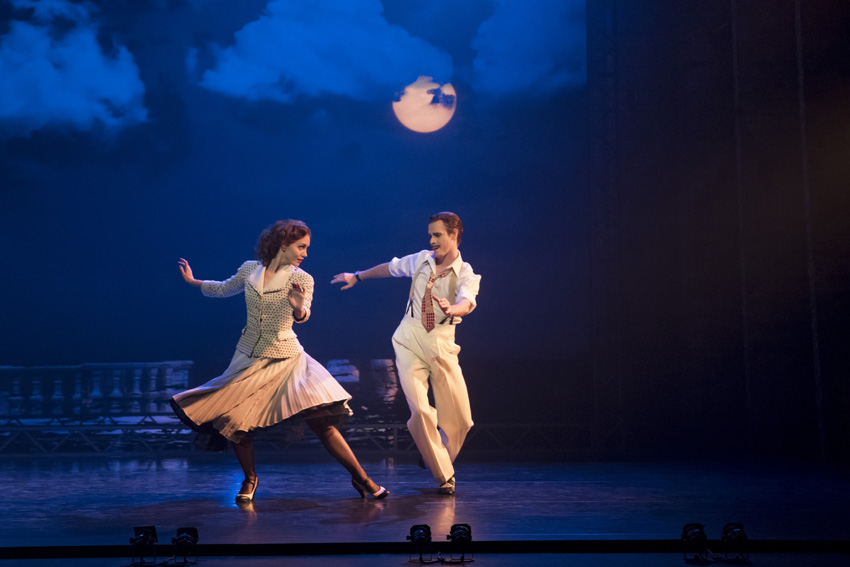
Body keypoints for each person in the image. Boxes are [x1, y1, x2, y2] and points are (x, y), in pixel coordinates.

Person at [171, 219, 388, 503]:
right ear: (283, 244)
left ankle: (362, 478)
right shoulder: (250, 268)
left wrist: (298, 308)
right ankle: (250, 478)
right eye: (301, 246)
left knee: (321, 423)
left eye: (306, 247)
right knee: (235, 421)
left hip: (286, 359)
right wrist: (193, 281)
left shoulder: (303, 279)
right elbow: (224, 288)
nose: (305, 253)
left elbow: (304, 313)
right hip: (248, 357)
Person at [331, 212, 480, 495]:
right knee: (421, 410)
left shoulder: (467, 274)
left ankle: (433, 455)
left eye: (437, 235)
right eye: (430, 235)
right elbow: (391, 268)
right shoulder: (422, 259)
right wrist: (358, 277)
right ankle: (444, 476)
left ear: (454, 234)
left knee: (462, 420)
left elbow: (466, 300)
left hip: (442, 344)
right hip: (409, 339)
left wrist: (453, 309)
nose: (432, 240)